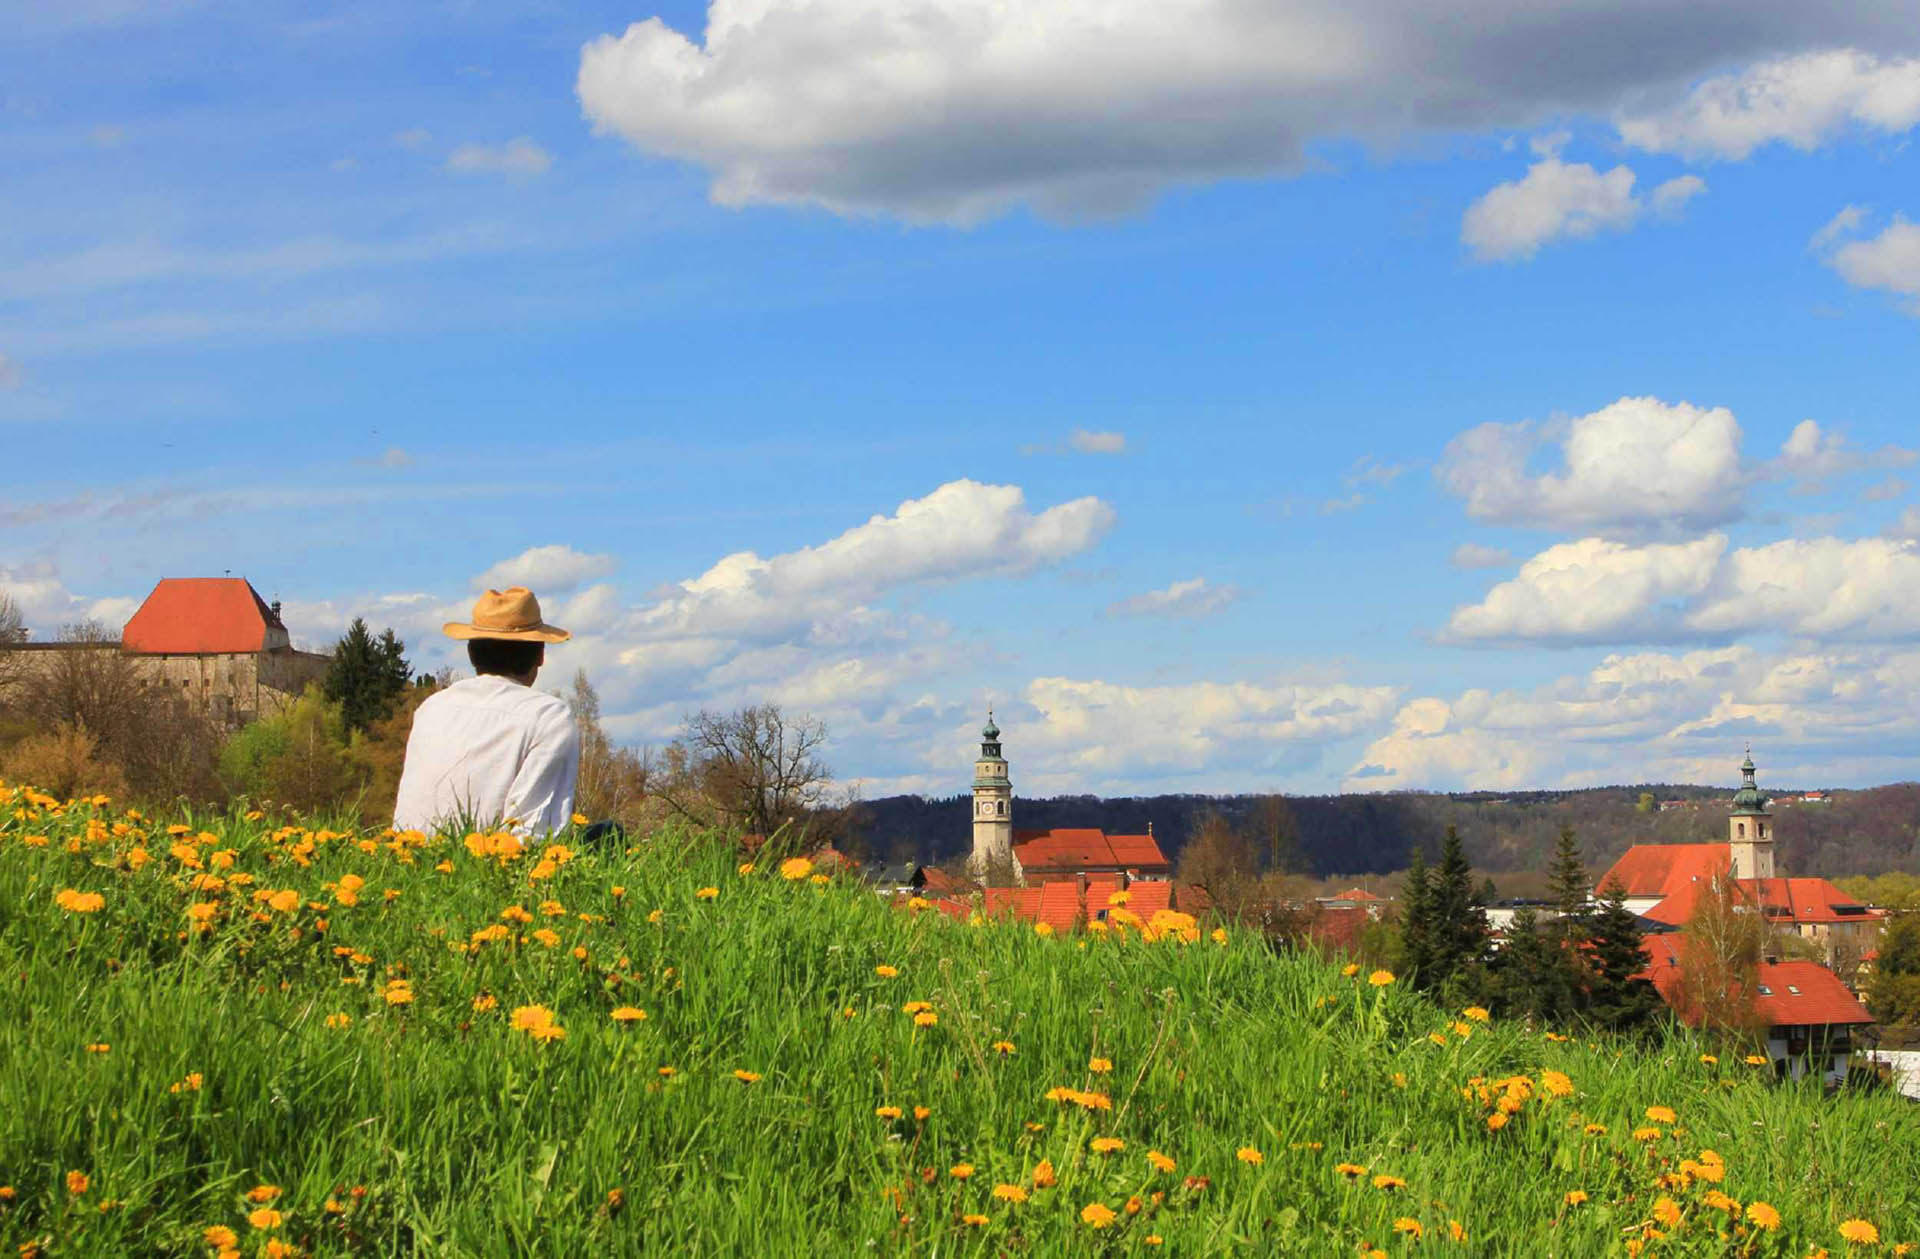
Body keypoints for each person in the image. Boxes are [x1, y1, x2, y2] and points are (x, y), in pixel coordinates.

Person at [393, 586, 580, 837]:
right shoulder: (549, 717)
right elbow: (535, 832)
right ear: (540, 656)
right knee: (609, 834)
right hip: (490, 859)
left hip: (408, 854)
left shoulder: (431, 708)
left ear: (472, 653)